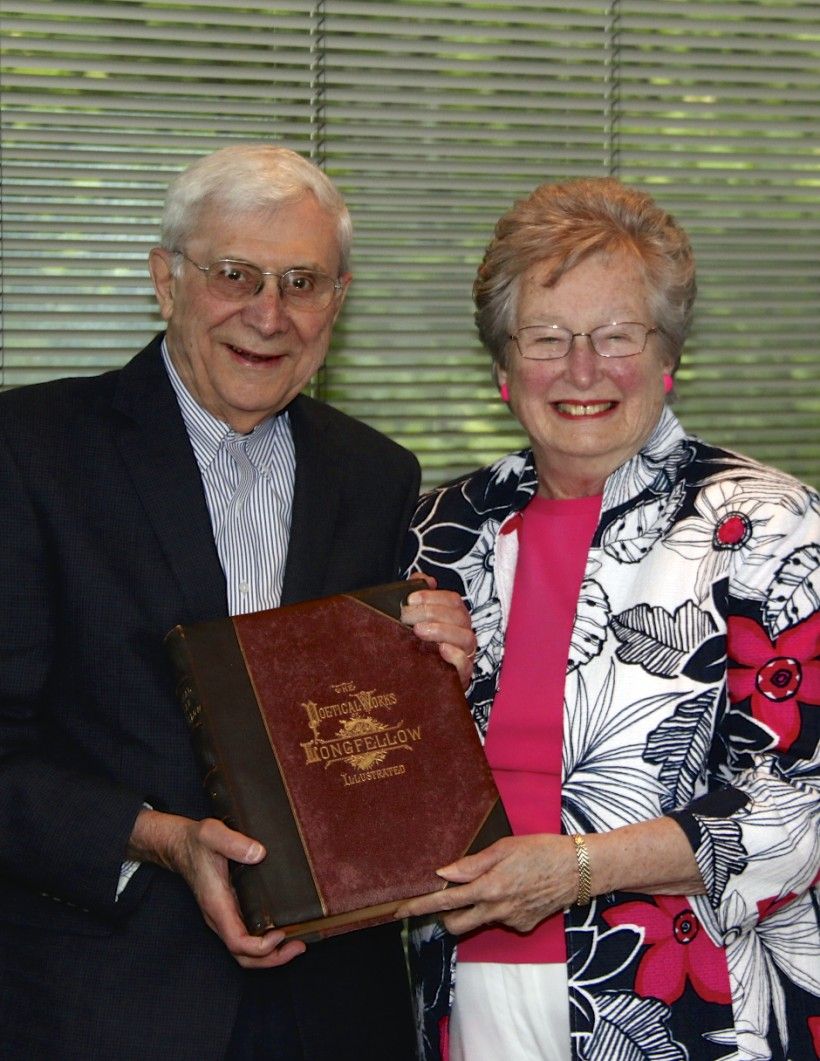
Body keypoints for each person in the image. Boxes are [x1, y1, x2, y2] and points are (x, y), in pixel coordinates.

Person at [0, 144, 475, 1060]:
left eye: (302, 281)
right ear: (165, 280)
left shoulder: (376, 474)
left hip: (338, 1009)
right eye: (234, 275)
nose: (268, 314)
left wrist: (425, 675)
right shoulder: (30, 452)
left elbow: (359, 747)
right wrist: (162, 839)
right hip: (105, 1003)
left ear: (338, 300)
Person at [397, 177, 820, 1061]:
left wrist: (578, 867)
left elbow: (797, 809)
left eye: (616, 336)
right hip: (467, 993)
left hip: (692, 1006)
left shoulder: (768, 527)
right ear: (504, 370)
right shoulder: (439, 529)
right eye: (547, 338)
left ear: (666, 356)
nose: (582, 370)